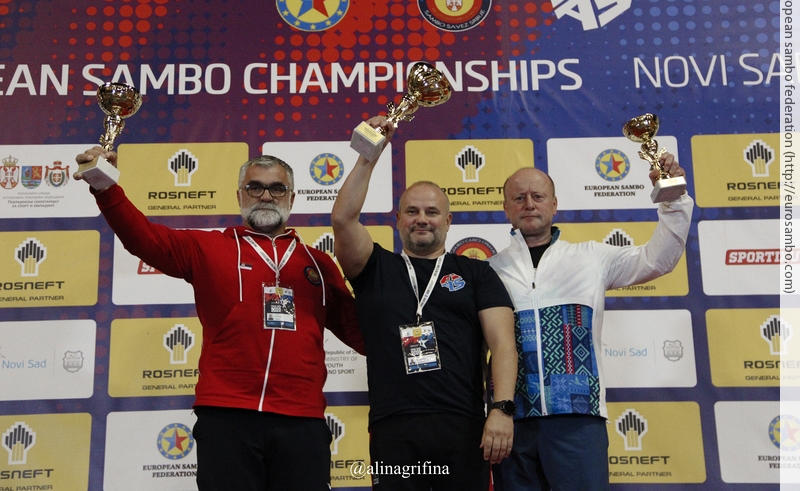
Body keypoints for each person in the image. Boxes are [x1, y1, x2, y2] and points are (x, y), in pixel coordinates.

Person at [74, 148, 364, 491]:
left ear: (292, 198)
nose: (266, 196)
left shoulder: (318, 264)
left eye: (277, 188)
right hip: (227, 416)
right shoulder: (207, 248)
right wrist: (104, 186)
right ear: (239, 195)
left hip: (301, 419)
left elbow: (360, 333)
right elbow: (144, 239)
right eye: (255, 187)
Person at [331, 117, 518, 490]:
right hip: (392, 426)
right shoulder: (374, 267)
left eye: (431, 212)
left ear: (448, 221)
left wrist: (501, 409)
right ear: (398, 218)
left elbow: (502, 344)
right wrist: (369, 154)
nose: (422, 220)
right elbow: (342, 218)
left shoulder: (476, 273)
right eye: (412, 211)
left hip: (463, 424)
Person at [488, 155, 693, 491]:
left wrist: (673, 200)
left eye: (538, 196)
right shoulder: (490, 271)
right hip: (513, 420)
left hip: (578, 418)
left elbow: (658, 259)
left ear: (554, 205)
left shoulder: (591, 257)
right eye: (519, 198)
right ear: (506, 209)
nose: (529, 204)